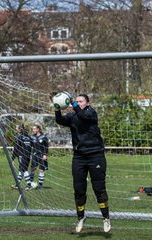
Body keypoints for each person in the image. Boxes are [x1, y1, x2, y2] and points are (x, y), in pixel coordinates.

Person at [54, 93, 111, 233]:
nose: (78, 103)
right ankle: (80, 218)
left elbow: (83, 117)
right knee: (79, 189)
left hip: (95, 156)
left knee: (99, 188)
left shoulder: (91, 113)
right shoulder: (73, 116)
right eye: (77, 101)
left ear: (87, 103)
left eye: (81, 101)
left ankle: (106, 218)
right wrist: (57, 108)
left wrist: (73, 105)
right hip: (79, 157)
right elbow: (60, 120)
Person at [11, 124, 33, 190]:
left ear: (20, 129)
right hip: (28, 155)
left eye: (16, 127)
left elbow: (16, 148)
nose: (15, 128)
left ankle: (29, 185)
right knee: (21, 170)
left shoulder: (19, 136)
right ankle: (17, 185)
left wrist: (12, 158)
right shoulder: (28, 136)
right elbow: (31, 145)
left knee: (24, 169)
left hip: (22, 155)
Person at [30, 124, 49, 190]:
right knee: (32, 169)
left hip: (42, 155)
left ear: (38, 129)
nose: (33, 130)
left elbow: (46, 147)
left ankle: (40, 185)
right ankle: (30, 184)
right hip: (35, 155)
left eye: (34, 129)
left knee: (41, 170)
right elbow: (30, 146)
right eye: (33, 129)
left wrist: (45, 155)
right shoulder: (32, 137)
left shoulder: (43, 137)